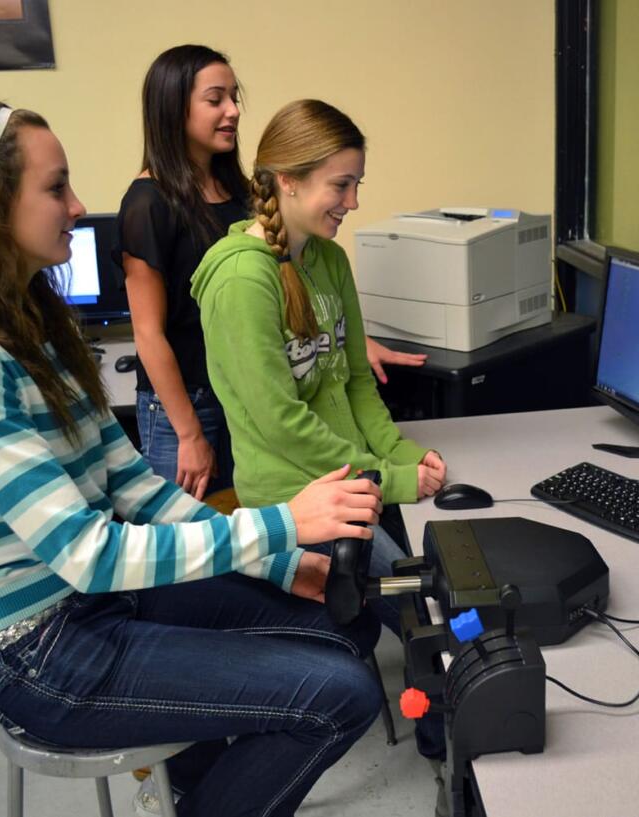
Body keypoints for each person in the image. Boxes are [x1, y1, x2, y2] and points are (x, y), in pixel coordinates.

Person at [0, 100, 389, 817]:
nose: (78, 207)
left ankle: (200, 789)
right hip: (38, 652)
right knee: (343, 694)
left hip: (91, 604)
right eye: (56, 189)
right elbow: (86, 551)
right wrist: (281, 527)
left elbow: (132, 485)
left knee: (346, 622)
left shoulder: (28, 324)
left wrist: (277, 559)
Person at [190, 98, 449, 786]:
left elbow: (356, 384)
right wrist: (390, 481)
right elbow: (280, 424)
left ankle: (441, 722)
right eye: (342, 184)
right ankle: (448, 739)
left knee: (426, 600)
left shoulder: (328, 261)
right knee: (426, 612)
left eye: (356, 182)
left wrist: (400, 456)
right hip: (296, 500)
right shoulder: (240, 278)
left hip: (351, 481)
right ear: (286, 180)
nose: (354, 200)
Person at [118, 45, 422, 500]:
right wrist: (188, 434)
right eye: (216, 99)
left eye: (234, 97)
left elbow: (287, 284)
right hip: (189, 403)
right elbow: (148, 333)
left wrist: (339, 340)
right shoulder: (148, 203)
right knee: (197, 544)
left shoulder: (240, 192)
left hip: (250, 386)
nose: (233, 111)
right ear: (172, 107)